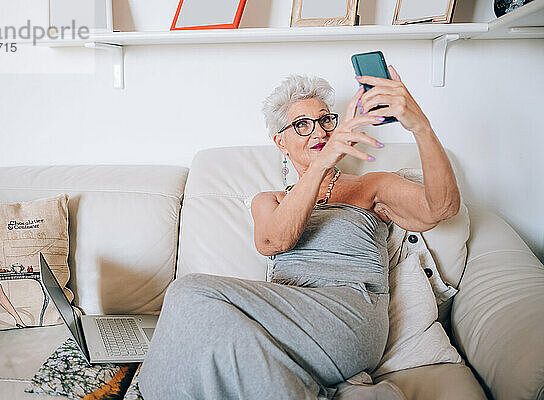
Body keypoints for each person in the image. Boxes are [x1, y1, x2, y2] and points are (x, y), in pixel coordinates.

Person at [138, 67, 460, 399]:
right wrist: (320, 167)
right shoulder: (271, 200)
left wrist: (420, 126)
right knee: (207, 328)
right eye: (302, 125)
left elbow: (442, 209)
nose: (318, 132)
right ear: (281, 143)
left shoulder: (370, 187)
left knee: (188, 291)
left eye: (325, 121)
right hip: (289, 325)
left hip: (348, 316)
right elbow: (274, 241)